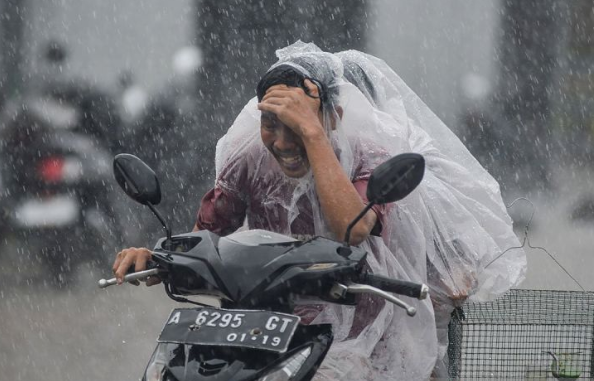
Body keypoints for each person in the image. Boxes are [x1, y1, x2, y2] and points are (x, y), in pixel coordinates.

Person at [113, 42, 525, 380]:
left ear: (335, 117)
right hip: (270, 327)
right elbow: (207, 235)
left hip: (368, 322)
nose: (282, 141)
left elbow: (355, 227)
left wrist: (313, 135)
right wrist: (157, 257)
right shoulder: (248, 157)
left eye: (298, 124)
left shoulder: (369, 156)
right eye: (271, 122)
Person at [336, 49, 527, 378]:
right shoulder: (322, 156)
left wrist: (451, 267)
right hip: (354, 308)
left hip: (410, 307)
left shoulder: (407, 149)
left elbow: (453, 220)